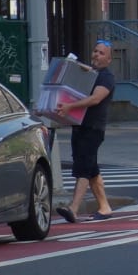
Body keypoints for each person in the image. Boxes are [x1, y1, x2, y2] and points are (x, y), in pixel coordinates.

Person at [56, 40, 117, 223]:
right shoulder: (90, 74)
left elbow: (95, 99)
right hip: (80, 126)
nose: (96, 55)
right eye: (95, 51)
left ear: (109, 59)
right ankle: (105, 207)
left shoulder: (106, 77)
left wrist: (70, 107)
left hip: (93, 128)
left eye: (101, 53)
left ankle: (73, 209)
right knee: (91, 169)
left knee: (83, 168)